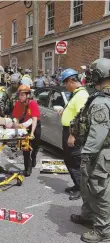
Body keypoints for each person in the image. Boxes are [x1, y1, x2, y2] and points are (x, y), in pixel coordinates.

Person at [69, 58, 110, 243]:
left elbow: (97, 135)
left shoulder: (101, 101)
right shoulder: (97, 96)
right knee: (87, 187)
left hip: (98, 153)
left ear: (100, 75)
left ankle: (103, 229)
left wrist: (87, 157)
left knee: (99, 191)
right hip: (96, 151)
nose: (90, 75)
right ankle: (88, 216)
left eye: (93, 72)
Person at [60, 68, 89, 200]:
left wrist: (73, 135)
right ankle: (77, 185)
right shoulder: (76, 94)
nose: (66, 86)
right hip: (68, 130)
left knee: (75, 161)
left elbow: (81, 118)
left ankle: (81, 188)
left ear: (72, 80)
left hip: (73, 132)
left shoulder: (81, 95)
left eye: (66, 83)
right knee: (69, 159)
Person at [12, 85, 41, 176]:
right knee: (26, 147)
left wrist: (32, 133)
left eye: (23, 95)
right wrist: (16, 129)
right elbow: (16, 118)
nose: (21, 97)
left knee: (36, 144)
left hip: (34, 124)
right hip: (24, 125)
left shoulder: (33, 103)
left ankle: (34, 155)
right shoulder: (18, 104)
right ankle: (27, 168)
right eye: (20, 95)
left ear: (28, 95)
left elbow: (35, 119)